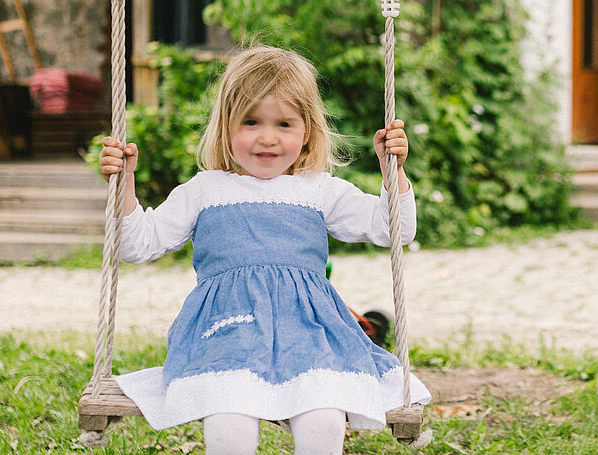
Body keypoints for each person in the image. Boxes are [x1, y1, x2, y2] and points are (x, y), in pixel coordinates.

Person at [98, 46, 430, 454]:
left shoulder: (317, 188)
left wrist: (392, 172)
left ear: (307, 131)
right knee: (228, 423)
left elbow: (393, 229)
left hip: (309, 336)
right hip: (228, 336)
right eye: (251, 122)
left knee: (324, 419)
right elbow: (137, 245)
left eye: (285, 124)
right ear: (226, 127)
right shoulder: (206, 190)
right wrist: (124, 186)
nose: (267, 138)